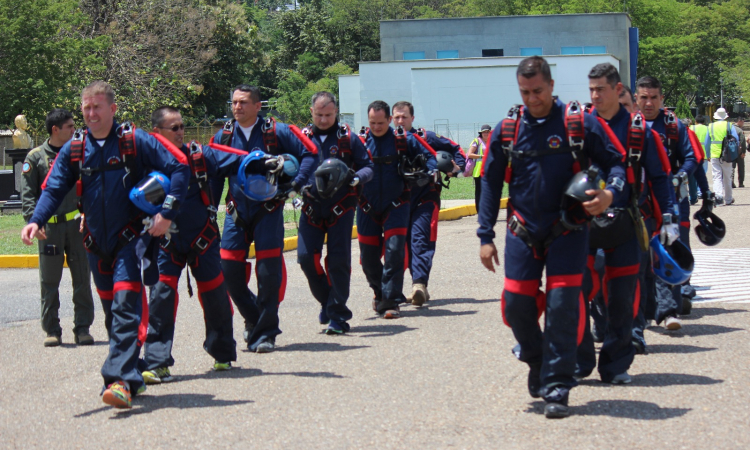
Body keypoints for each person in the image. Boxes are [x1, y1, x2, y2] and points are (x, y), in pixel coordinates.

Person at [20, 81, 190, 409]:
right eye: (86, 107)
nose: (91, 113)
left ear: (112, 109)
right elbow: (54, 188)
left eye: (97, 107)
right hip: (95, 244)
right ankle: (133, 373)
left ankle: (118, 381)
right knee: (114, 314)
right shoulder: (76, 147)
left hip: (132, 241)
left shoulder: (135, 141)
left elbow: (180, 166)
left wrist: (167, 213)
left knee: (126, 307)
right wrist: (36, 220)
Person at [478, 56, 627, 418]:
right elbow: (489, 181)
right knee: (515, 305)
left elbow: (618, 164)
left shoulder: (579, 123)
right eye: (525, 92)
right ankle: (536, 358)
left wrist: (609, 195)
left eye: (538, 91)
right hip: (522, 232)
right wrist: (485, 234)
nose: (532, 99)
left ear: (551, 85)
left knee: (563, 307)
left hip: (568, 230)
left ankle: (558, 386)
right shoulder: (507, 129)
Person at [577, 63, 676, 380]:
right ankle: (579, 362)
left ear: (618, 90)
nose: (594, 96)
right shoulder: (578, 127)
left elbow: (660, 177)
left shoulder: (640, 131)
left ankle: (616, 364)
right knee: (573, 293)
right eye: (591, 90)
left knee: (623, 297)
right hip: (584, 223)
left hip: (626, 222)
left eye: (601, 89)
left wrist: (669, 218)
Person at [211, 84, 316, 353]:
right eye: (234, 102)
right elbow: (213, 175)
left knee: (269, 275)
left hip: (269, 211)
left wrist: (296, 184)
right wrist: (209, 209)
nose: (237, 107)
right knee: (228, 270)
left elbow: (309, 154)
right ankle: (255, 317)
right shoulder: (223, 136)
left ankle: (266, 333)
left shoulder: (276, 131)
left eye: (244, 102)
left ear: (258, 106)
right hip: (236, 213)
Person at [141, 107, 237, 384]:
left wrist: (259, 162)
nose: (181, 131)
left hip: (202, 239)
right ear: (157, 132)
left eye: (182, 126)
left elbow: (231, 162)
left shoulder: (200, 155)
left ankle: (222, 352)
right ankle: (157, 362)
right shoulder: (144, 161)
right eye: (175, 128)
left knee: (215, 296)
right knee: (160, 297)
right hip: (164, 241)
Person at [635, 76, 712, 330]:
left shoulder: (673, 126)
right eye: (644, 97)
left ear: (662, 99)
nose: (648, 103)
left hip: (671, 200)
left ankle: (672, 308)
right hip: (639, 203)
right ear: (636, 98)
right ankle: (644, 311)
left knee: (671, 251)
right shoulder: (629, 126)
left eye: (654, 97)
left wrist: (680, 177)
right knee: (641, 257)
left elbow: (693, 158)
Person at [296, 92, 373, 334]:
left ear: (336, 112)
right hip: (310, 206)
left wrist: (356, 178)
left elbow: (368, 167)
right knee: (306, 258)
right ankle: (328, 301)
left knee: (338, 261)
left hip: (341, 206)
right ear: (311, 112)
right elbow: (288, 163)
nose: (323, 119)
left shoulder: (348, 138)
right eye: (319, 114)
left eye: (328, 115)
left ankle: (338, 315)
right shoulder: (300, 138)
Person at [21, 108, 95, 347]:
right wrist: (33, 220)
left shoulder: (79, 153)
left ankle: (82, 328)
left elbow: (91, 186)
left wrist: (88, 214)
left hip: (76, 226)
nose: (75, 130)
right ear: (56, 130)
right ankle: (52, 329)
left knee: (82, 278)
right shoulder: (35, 157)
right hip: (49, 229)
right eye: (70, 127)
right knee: (49, 282)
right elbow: (29, 195)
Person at [358, 100, 436, 319]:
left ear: (389, 120)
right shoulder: (360, 142)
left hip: (398, 204)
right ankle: (379, 293)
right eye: (372, 122)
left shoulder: (405, 140)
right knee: (368, 258)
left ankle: (391, 301)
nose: (376, 126)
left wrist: (427, 172)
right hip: (366, 206)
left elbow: (431, 157)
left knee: (394, 253)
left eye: (381, 122)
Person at [392, 100, 466, 306]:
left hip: (426, 198)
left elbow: (457, 149)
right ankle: (397, 288)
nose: (400, 120)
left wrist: (456, 167)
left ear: (412, 118)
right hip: (397, 202)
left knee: (420, 240)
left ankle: (419, 285)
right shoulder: (387, 140)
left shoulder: (427, 138)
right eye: (396, 117)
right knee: (400, 246)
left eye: (404, 117)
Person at [705, 107, 739, 206]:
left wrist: (708, 155)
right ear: (725, 116)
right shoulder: (729, 125)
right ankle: (728, 199)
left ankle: (718, 198)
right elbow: (736, 139)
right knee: (727, 177)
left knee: (716, 177)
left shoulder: (710, 126)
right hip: (727, 155)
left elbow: (707, 142)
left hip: (714, 154)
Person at [467, 125, 491, 211]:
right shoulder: (477, 141)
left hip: (490, 170)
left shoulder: (492, 141)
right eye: (484, 132)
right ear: (481, 133)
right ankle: (480, 211)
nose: (486, 133)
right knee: (480, 191)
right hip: (479, 170)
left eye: (487, 132)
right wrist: (482, 156)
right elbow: (470, 154)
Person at [689, 115, 710, 205]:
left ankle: (696, 192)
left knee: (693, 175)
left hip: (693, 153)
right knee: (702, 173)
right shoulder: (707, 128)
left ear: (696, 121)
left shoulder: (691, 127)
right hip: (704, 153)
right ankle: (700, 191)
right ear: (704, 122)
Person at [732, 115, 746, 188]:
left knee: (732, 167)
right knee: (740, 167)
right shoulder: (740, 130)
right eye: (743, 121)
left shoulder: (729, 129)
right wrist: (743, 152)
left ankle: (731, 182)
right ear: (739, 121)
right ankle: (740, 183)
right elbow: (743, 142)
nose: (743, 123)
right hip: (739, 151)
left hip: (730, 151)